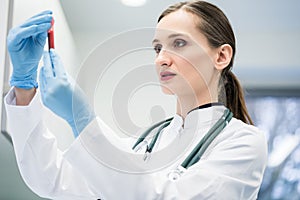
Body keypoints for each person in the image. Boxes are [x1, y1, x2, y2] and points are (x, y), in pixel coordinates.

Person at [4, 1, 267, 199]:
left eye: (178, 43)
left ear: (221, 57)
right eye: (157, 47)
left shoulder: (242, 143)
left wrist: (81, 119)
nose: (161, 58)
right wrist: (24, 86)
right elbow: (51, 179)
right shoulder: (144, 146)